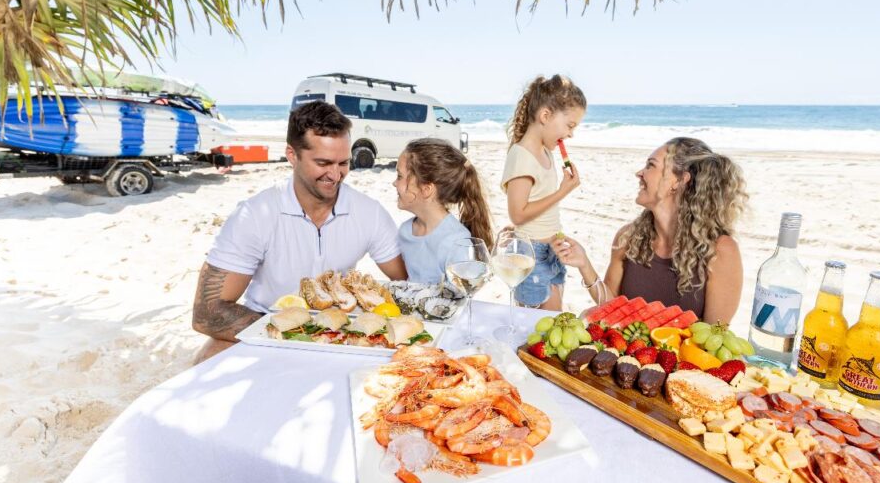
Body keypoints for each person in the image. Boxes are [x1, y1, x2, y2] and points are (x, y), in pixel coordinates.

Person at [191, 101, 408, 363]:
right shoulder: (255, 214)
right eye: (323, 163)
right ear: (292, 155)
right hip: (265, 326)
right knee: (205, 361)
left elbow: (406, 283)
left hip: (339, 331)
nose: (336, 175)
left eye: (343, 163)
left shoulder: (369, 212)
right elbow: (207, 313)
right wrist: (300, 334)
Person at [552, 137, 747, 323]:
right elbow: (610, 307)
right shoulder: (628, 237)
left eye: (651, 165)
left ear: (678, 181)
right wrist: (584, 264)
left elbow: (714, 336)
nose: (640, 173)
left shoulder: (721, 250)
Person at [500, 75, 587, 310]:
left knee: (552, 321)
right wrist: (563, 192)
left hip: (552, 248)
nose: (570, 134)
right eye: (570, 125)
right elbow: (517, 215)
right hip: (532, 255)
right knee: (539, 327)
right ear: (545, 116)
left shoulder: (546, 152)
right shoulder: (521, 156)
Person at [394, 138, 494, 283]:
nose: (394, 183)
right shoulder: (405, 231)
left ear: (426, 189)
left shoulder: (457, 242)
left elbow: (464, 297)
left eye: (399, 176)